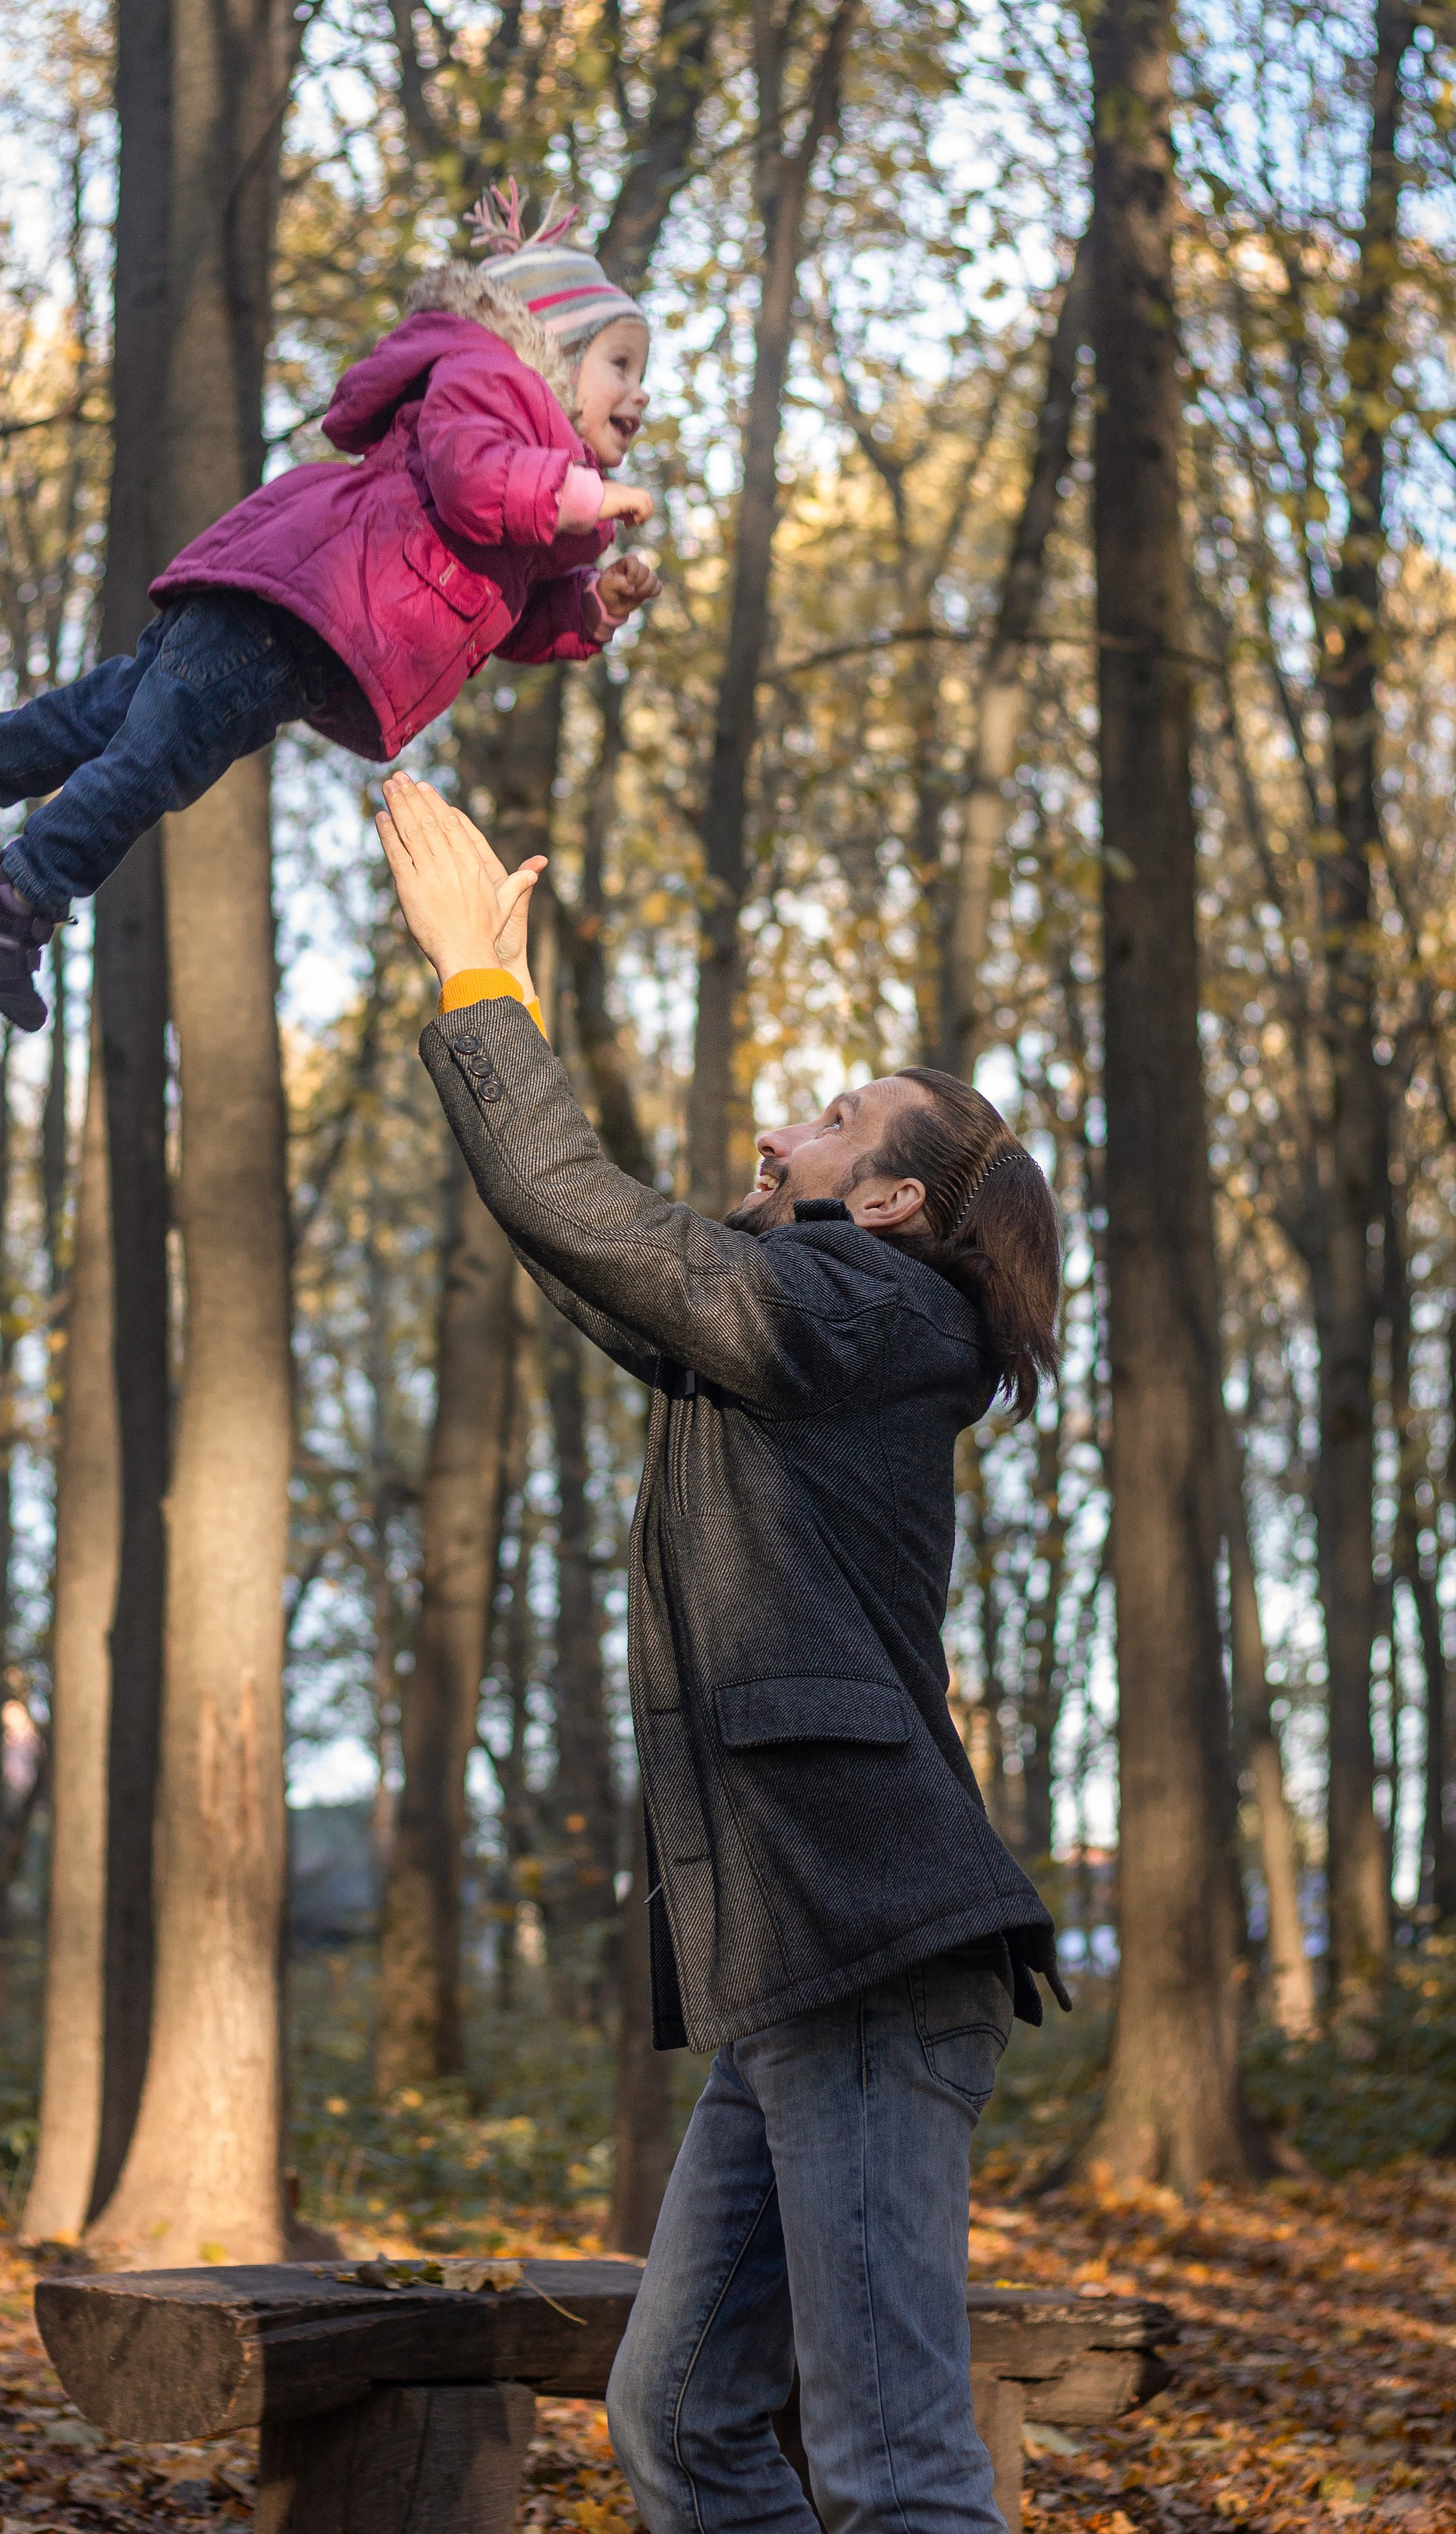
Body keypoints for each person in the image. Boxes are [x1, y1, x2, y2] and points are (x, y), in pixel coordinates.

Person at [372, 771, 1071, 2534]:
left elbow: (602, 1225)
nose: (779, 1131)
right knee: (680, 2422)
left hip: (863, 1937)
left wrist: (476, 985)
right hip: (796, 1962)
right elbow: (602, 1255)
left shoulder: (872, 1311)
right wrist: (485, 1007)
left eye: (832, 1122)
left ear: (897, 1206)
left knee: (900, 2464)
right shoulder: (806, 1328)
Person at [0, 183, 662, 1031]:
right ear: (551, 346)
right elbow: (475, 480)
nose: (639, 393)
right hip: (302, 604)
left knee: (113, 717)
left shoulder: (541, 496)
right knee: (159, 756)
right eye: (620, 364)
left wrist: (589, 608)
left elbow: (507, 611)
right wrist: (578, 497)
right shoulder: (493, 382)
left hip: (300, 619)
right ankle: (18, 897)